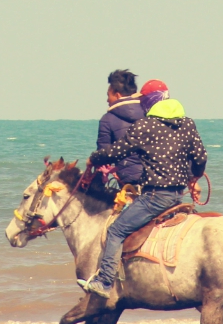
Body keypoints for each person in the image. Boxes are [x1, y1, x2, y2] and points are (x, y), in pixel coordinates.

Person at [79, 79, 208, 300]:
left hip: (154, 197)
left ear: (149, 102)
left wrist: (94, 158)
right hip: (178, 196)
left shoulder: (145, 126)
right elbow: (200, 157)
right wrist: (193, 177)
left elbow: (116, 151)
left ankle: (104, 281)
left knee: (116, 231)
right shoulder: (187, 123)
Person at [95, 69, 147, 191]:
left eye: (108, 95)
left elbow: (103, 158)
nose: (107, 100)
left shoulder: (107, 119)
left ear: (117, 95)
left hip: (128, 183)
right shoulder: (150, 114)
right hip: (157, 179)